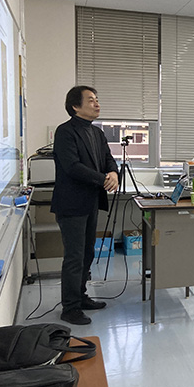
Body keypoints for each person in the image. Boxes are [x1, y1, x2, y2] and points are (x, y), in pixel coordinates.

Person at [51, 86, 119, 325]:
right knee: (74, 256)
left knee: (88, 253)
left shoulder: (97, 133)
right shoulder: (65, 132)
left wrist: (113, 173)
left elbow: (108, 159)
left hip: (91, 202)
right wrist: (103, 179)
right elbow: (72, 167)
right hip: (71, 204)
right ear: (75, 106)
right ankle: (70, 308)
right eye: (91, 100)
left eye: (97, 99)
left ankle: (80, 297)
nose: (97, 104)